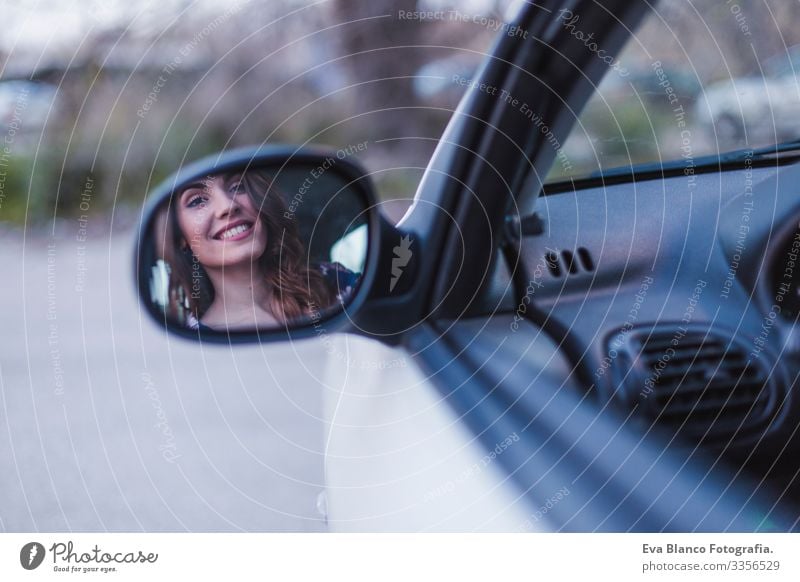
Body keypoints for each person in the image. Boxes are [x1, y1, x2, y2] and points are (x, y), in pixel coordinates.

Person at [162, 170, 336, 331]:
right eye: (197, 200)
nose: (228, 206)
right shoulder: (195, 347)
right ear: (179, 237)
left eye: (237, 187)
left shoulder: (334, 281)